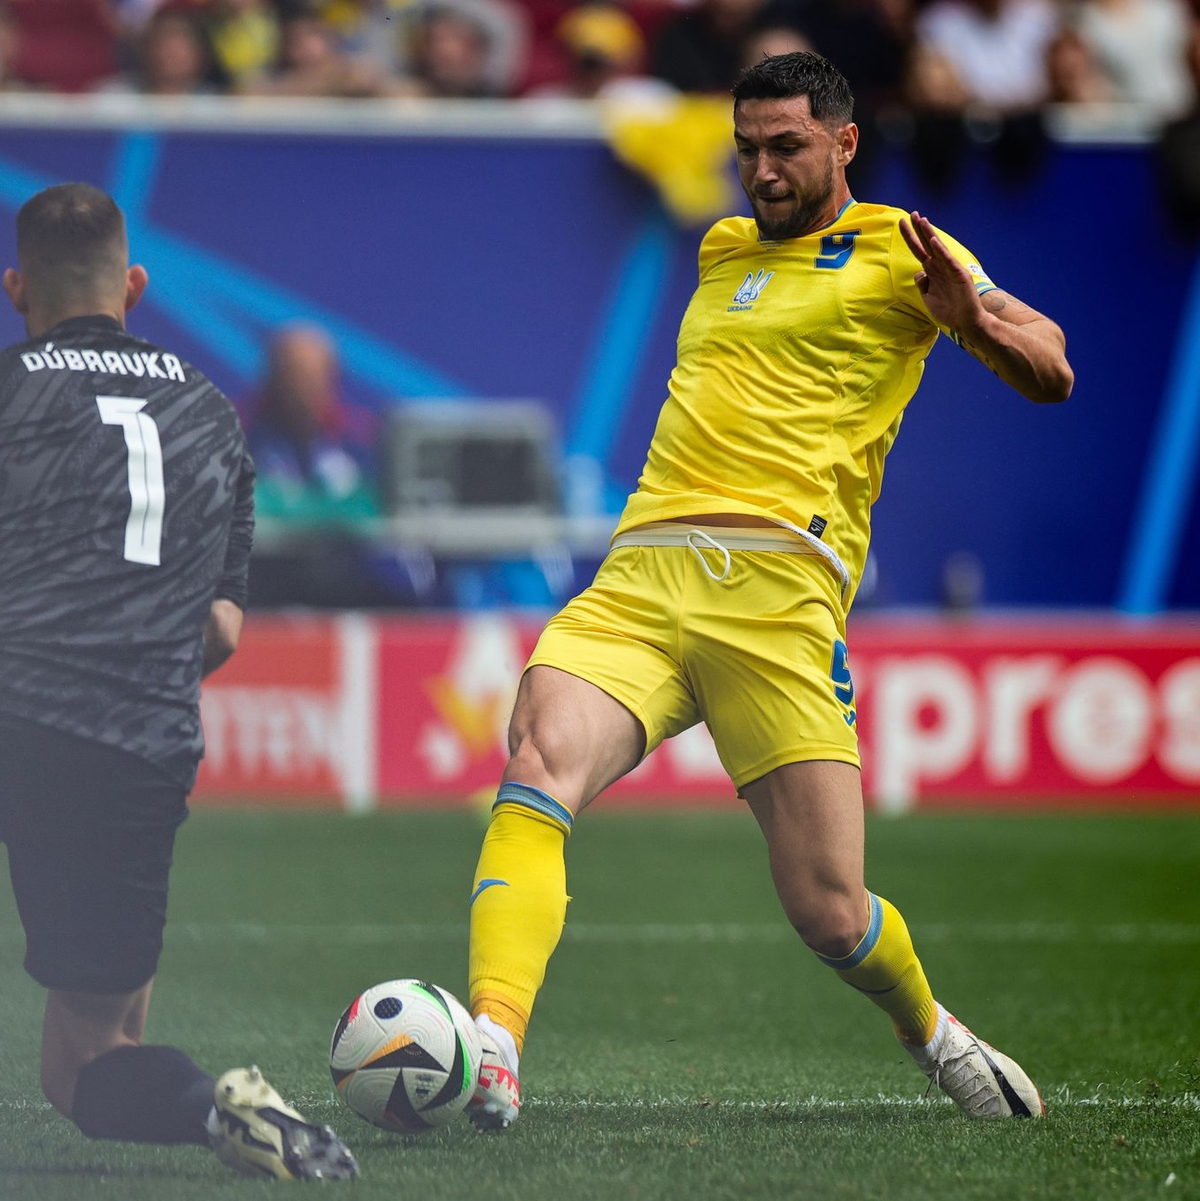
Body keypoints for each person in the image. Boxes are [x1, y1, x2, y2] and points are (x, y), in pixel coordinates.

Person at [463, 51, 1073, 1131]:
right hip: (643, 572)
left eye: (785, 146)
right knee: (535, 763)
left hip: (781, 591)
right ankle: (493, 1046)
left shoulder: (903, 249)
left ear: (843, 141)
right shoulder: (721, 247)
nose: (762, 170)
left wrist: (971, 322)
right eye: (746, 149)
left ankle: (933, 1032)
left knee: (831, 912)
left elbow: (1053, 365)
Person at [0, 183, 358, 1181]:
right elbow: (221, 629)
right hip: (132, 745)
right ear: (137, 285)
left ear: (15, 286)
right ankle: (224, 1114)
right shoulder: (211, 417)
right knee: (86, 1058)